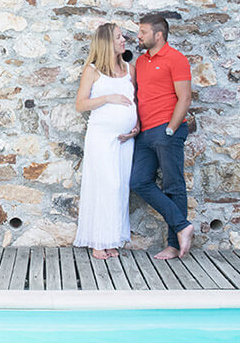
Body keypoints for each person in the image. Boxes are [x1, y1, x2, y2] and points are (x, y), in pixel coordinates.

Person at [129, 13, 193, 259]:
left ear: (158, 35)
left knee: (173, 186)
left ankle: (174, 246)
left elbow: (185, 98)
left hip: (166, 130)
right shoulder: (142, 62)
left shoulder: (176, 59)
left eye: (143, 32)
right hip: (145, 133)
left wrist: (171, 129)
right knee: (138, 182)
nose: (138, 36)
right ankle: (182, 225)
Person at [73, 23, 139, 259]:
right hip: (101, 137)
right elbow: (81, 104)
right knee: (105, 185)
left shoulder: (129, 70)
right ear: (106, 43)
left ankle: (112, 240)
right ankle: (98, 241)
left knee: (120, 187)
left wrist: (137, 126)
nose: (124, 41)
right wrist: (107, 97)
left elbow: (136, 102)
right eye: (119, 37)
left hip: (124, 139)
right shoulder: (93, 71)